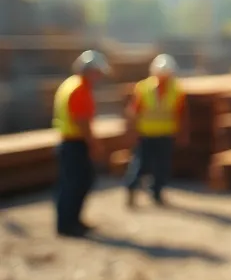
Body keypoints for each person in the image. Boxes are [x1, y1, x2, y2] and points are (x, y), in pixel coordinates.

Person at [52, 49, 111, 237]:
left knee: (75, 183)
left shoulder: (70, 84)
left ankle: (72, 221)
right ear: (91, 70)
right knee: (75, 184)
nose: (100, 77)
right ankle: (67, 225)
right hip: (75, 144)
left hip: (69, 142)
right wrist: (95, 145)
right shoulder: (80, 89)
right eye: (98, 72)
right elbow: (83, 122)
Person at [124, 54, 184, 208]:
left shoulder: (176, 89)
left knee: (162, 166)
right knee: (140, 164)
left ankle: (157, 193)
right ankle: (131, 190)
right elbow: (134, 111)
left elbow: (180, 112)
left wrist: (182, 132)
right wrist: (132, 131)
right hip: (146, 134)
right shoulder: (143, 88)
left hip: (165, 134)